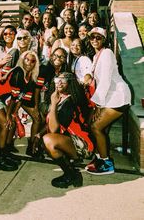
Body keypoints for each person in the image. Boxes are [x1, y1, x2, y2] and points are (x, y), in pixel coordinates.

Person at [84, 27, 131, 175]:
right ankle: (99, 158)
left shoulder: (107, 53)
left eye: (99, 37)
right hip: (109, 97)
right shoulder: (96, 56)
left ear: (104, 40)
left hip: (118, 97)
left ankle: (106, 163)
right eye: (92, 37)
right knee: (98, 128)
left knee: (96, 127)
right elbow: (92, 75)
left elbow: (105, 81)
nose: (95, 40)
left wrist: (97, 104)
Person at [42, 72, 94, 188]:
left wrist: (54, 104)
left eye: (64, 80)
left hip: (83, 145)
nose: (59, 82)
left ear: (70, 83)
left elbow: (54, 130)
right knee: (45, 140)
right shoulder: (61, 97)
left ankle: (70, 174)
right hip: (71, 139)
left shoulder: (70, 103)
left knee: (49, 141)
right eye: (57, 79)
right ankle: (72, 171)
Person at [7, 51, 41, 157]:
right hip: (4, 98)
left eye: (32, 61)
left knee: (37, 118)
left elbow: (21, 97)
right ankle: (5, 149)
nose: (29, 63)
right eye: (27, 59)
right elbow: (12, 97)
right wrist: (10, 114)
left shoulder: (31, 75)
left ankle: (31, 146)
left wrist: (15, 112)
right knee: (9, 123)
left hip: (16, 99)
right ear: (22, 59)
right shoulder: (18, 72)